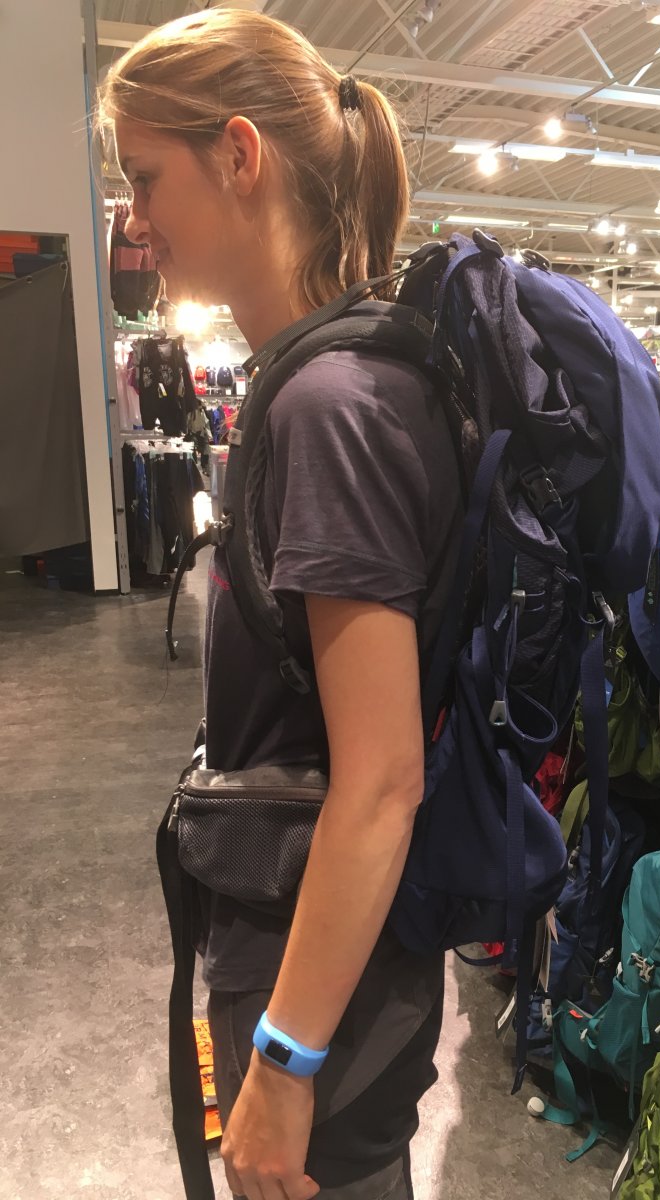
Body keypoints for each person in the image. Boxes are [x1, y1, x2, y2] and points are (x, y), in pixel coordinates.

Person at [98, 11, 464, 1199]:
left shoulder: (331, 407)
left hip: (323, 1007)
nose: (134, 221)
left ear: (239, 155)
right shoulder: (324, 381)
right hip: (315, 963)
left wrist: (285, 1064)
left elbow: (383, 778)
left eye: (146, 177)